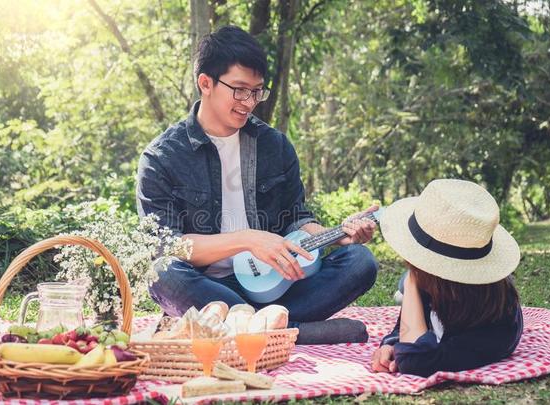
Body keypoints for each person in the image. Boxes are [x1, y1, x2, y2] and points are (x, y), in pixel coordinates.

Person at [136, 25, 379, 344]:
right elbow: (167, 245)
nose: (249, 102)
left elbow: (297, 218)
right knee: (163, 272)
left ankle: (246, 330)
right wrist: (247, 239)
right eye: (239, 89)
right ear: (205, 83)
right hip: (208, 288)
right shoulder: (162, 157)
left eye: (257, 91)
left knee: (360, 262)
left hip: (276, 284)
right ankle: (288, 330)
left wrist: (337, 237)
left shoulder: (274, 146)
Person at [371, 179, 523, 377]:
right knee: (406, 284)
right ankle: (405, 288)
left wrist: (412, 283)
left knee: (405, 283)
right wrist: (391, 344)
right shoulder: (434, 284)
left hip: (443, 295)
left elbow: (413, 361)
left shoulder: (495, 328)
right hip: (435, 286)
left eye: (415, 264)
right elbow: (401, 332)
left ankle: (405, 287)